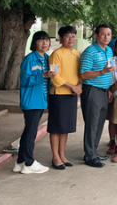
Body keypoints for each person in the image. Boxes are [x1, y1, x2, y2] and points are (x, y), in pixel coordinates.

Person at [13, 31, 55, 174]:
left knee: (28, 132)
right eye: (41, 40)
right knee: (31, 133)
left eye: (47, 40)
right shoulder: (30, 59)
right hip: (31, 101)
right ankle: (29, 163)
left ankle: (20, 162)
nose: (44, 43)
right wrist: (42, 75)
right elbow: (24, 81)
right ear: (34, 43)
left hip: (41, 100)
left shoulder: (48, 59)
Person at [80, 24, 116, 168]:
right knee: (92, 124)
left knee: (100, 123)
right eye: (103, 34)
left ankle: (93, 152)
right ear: (96, 35)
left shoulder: (108, 50)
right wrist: (102, 71)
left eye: (108, 34)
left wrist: (109, 89)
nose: (106, 37)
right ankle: (89, 156)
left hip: (104, 91)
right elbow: (83, 74)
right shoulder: (90, 52)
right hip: (92, 90)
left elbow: (110, 72)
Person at [48, 26, 82, 170]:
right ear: (60, 38)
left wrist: (79, 85)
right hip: (59, 94)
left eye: (73, 36)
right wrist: (72, 86)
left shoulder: (77, 54)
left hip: (71, 95)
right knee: (56, 127)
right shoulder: (56, 54)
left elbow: (80, 72)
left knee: (65, 127)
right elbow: (54, 76)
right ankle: (55, 156)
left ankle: (62, 155)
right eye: (67, 36)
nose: (71, 39)